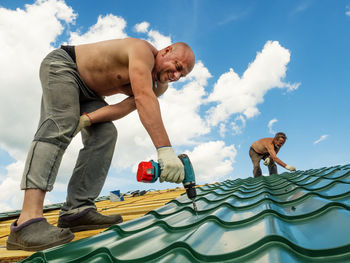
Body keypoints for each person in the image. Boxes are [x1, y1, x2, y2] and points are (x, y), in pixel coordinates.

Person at [6, 38, 195, 251]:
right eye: (177, 67)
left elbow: (125, 107)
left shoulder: (159, 87)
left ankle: (76, 211)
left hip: (92, 94)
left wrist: (88, 119)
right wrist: (165, 150)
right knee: (61, 122)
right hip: (65, 66)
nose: (177, 75)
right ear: (166, 51)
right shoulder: (141, 51)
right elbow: (143, 99)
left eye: (183, 75)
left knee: (105, 134)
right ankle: (26, 222)